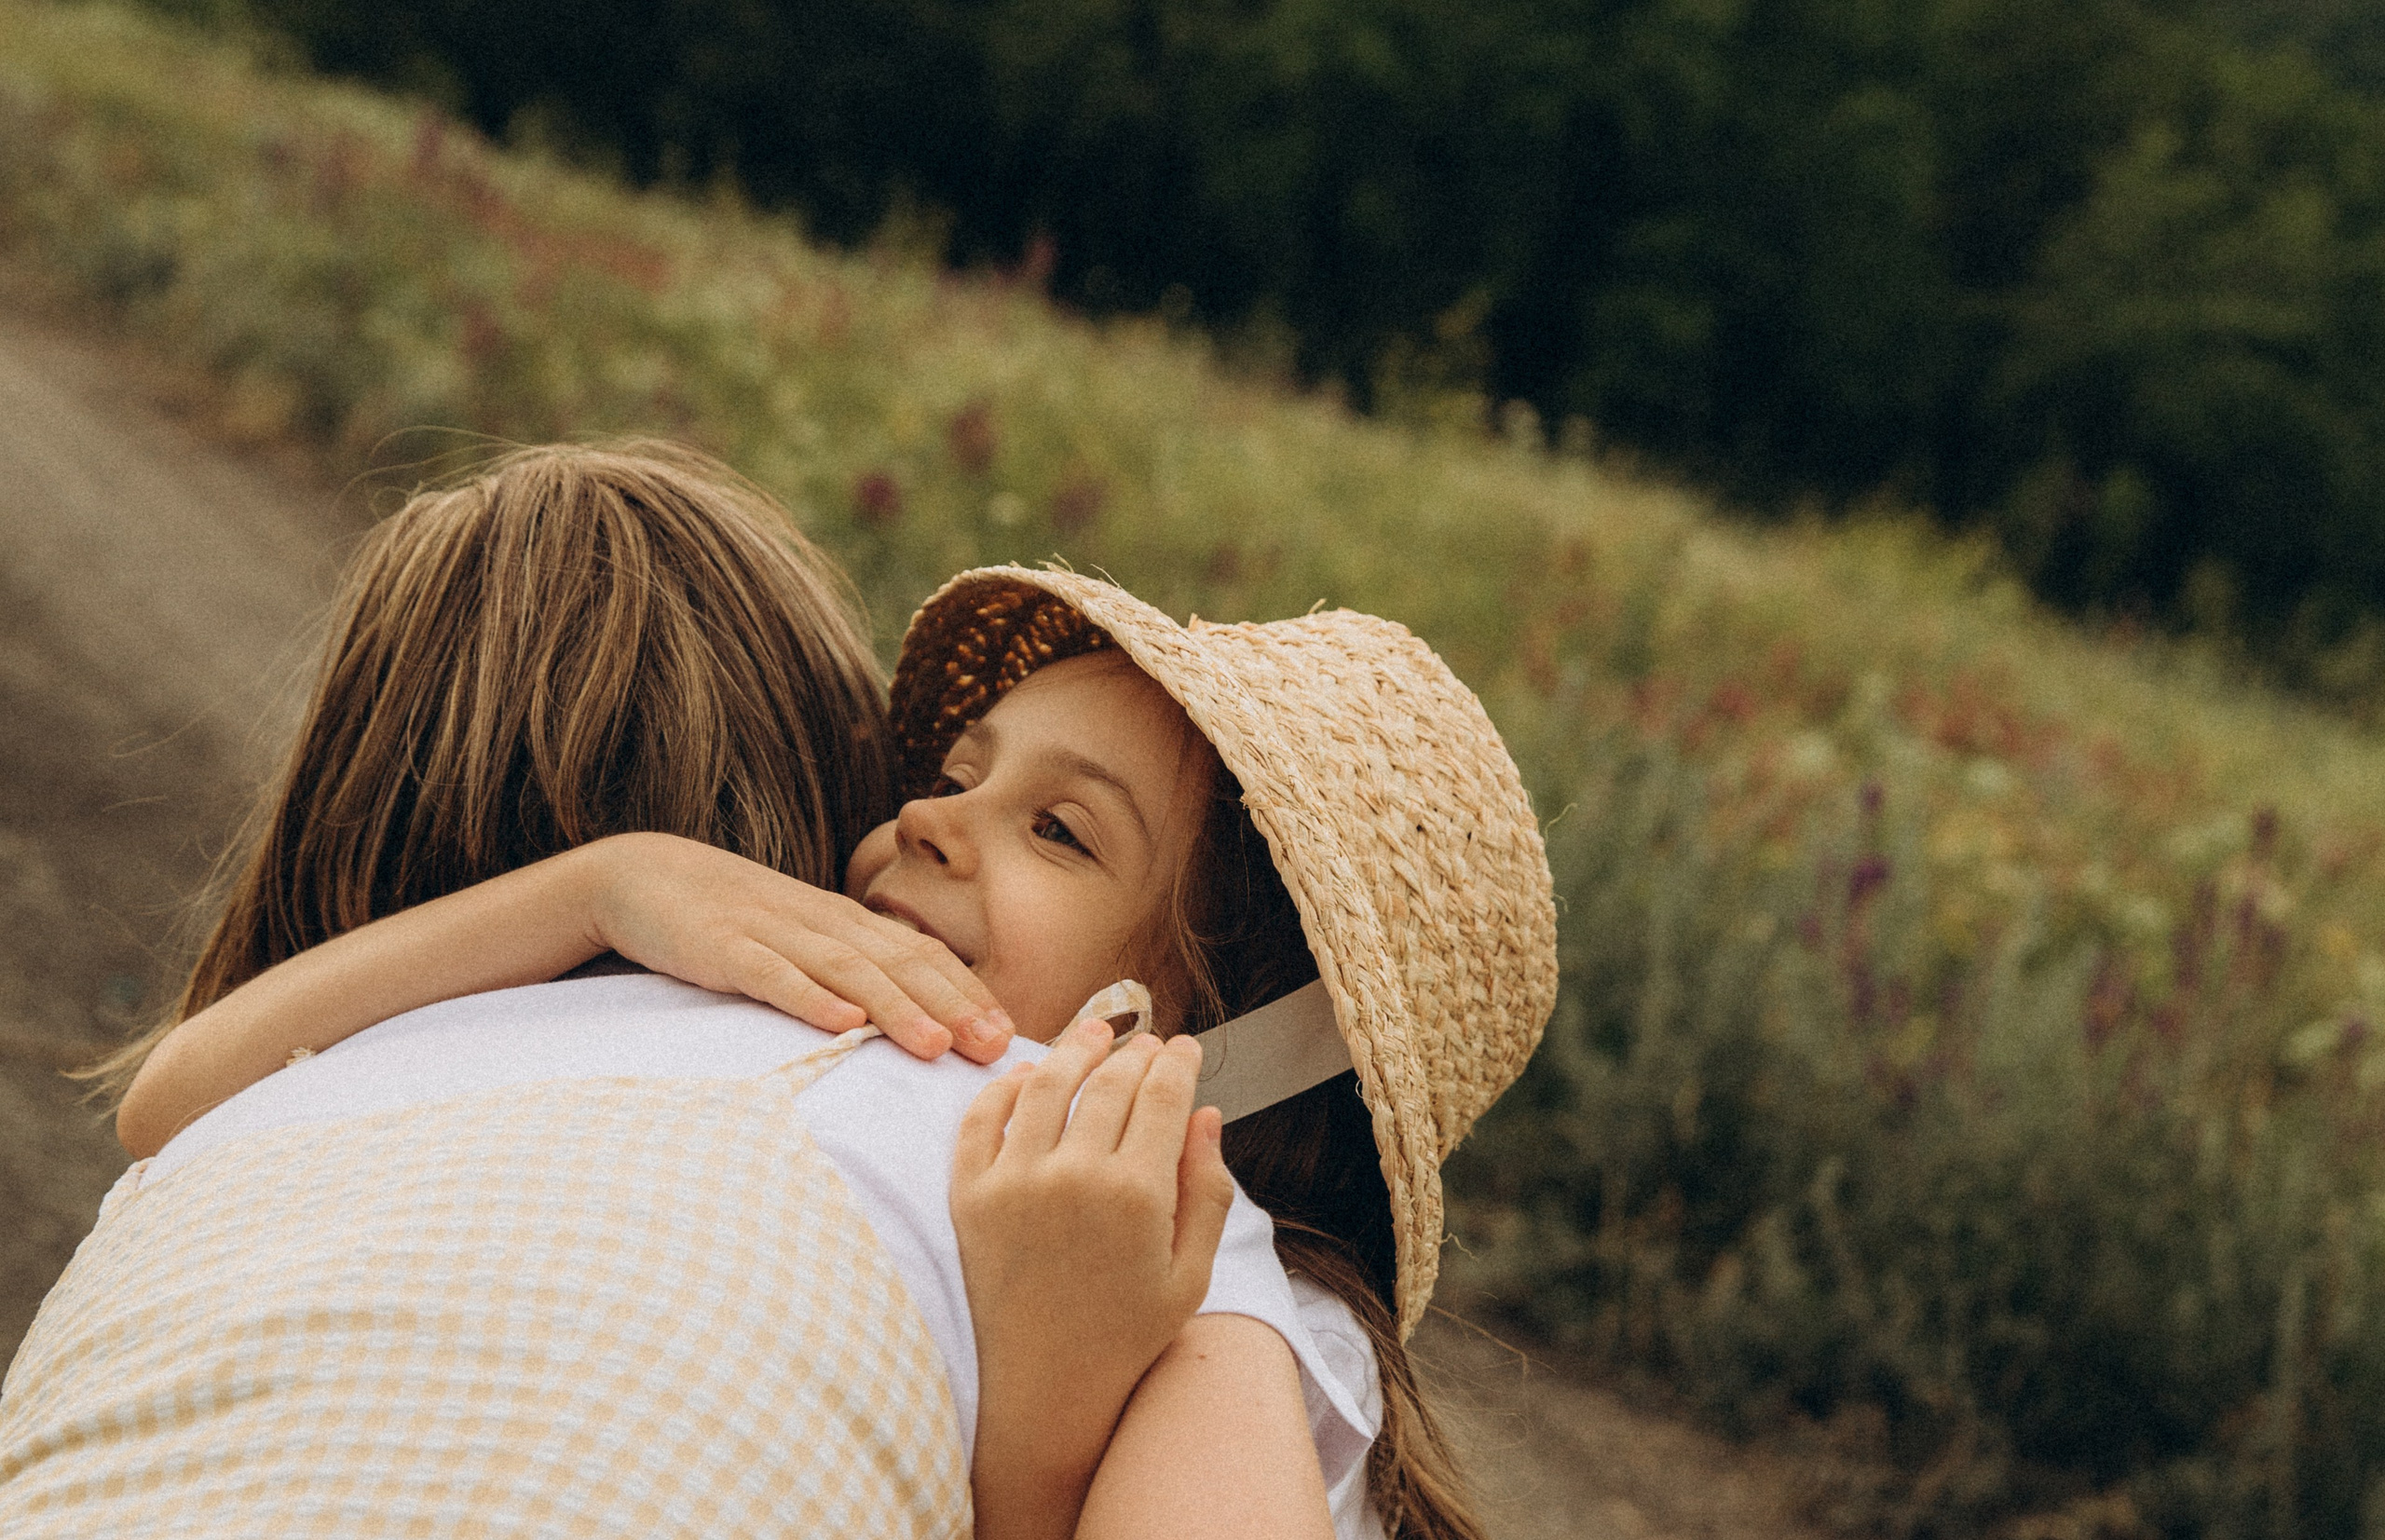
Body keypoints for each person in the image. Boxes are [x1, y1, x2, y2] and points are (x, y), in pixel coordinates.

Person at [1, 446, 1335, 1540]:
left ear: (1200, 1042)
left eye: (1061, 831)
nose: (932, 819)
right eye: (950, 774)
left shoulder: (1157, 1236)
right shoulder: (672, 998)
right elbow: (164, 1100)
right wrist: (603, 886)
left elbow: (169, 1107)